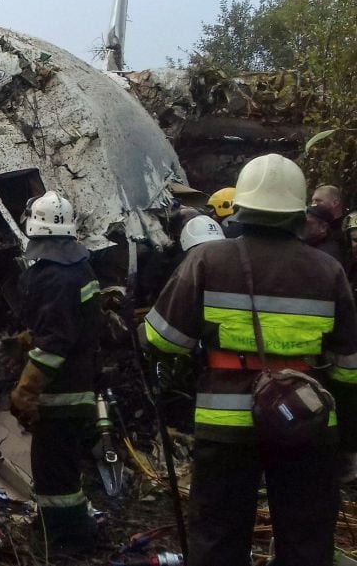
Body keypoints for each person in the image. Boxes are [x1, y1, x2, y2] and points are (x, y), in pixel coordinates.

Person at [144, 154, 357, 566]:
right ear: (299, 212)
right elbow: (349, 368)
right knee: (306, 542)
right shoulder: (329, 272)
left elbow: (163, 340)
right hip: (307, 427)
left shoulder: (207, 261)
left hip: (226, 429)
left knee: (219, 539)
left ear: (242, 206)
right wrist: (346, 441)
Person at [10, 191, 101, 553]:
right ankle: (70, 536)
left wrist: (26, 388)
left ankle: (64, 547)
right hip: (80, 388)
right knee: (64, 473)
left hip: (61, 395)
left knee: (54, 477)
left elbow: (55, 343)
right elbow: (75, 326)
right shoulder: (81, 267)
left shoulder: (52, 277)